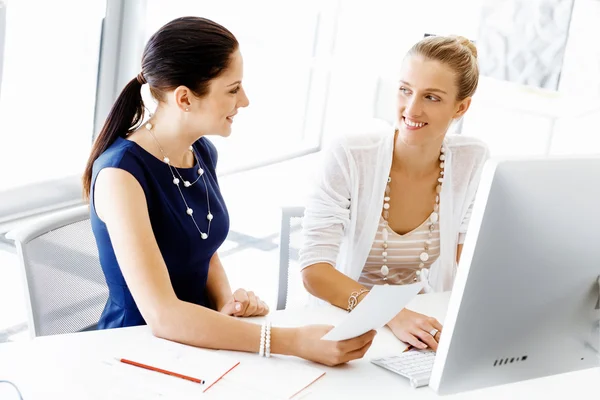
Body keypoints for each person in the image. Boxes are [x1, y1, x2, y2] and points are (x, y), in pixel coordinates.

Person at [82, 16, 375, 366]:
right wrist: (291, 341)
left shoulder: (201, 151)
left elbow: (203, 249)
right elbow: (163, 316)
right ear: (185, 99)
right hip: (135, 351)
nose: (246, 101)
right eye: (233, 89)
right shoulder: (121, 175)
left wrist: (226, 303)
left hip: (198, 341)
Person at [299, 35, 489, 352]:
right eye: (405, 90)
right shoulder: (351, 154)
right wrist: (391, 315)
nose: (411, 109)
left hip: (422, 323)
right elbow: (314, 272)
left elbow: (467, 267)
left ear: (461, 107)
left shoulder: (472, 160)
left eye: (432, 97)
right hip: (346, 324)